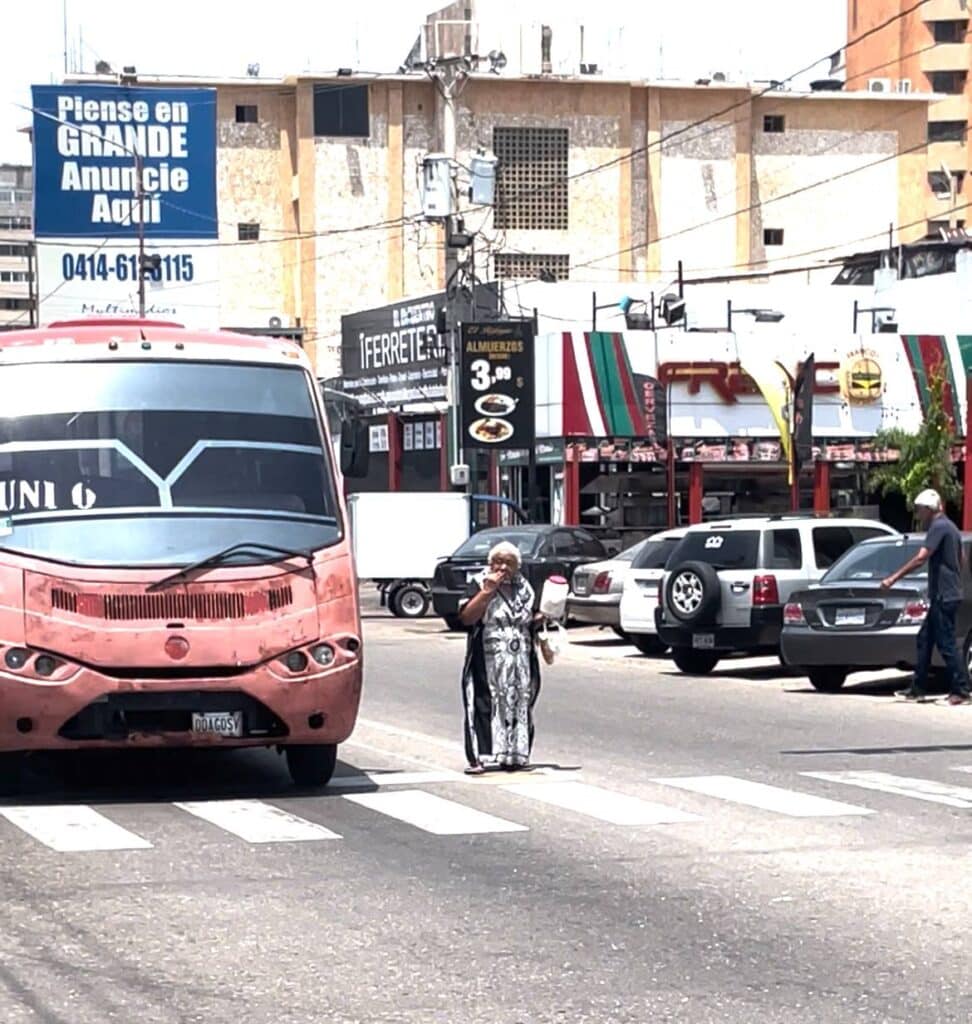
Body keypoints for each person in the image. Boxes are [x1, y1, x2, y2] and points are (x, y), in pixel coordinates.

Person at [458, 540, 542, 774]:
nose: (503, 567)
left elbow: (530, 619)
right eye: (498, 562)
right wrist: (488, 591)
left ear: (517, 566)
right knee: (485, 703)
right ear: (490, 563)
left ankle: (514, 755)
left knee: (519, 704)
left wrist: (543, 617)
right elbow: (466, 617)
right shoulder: (480, 582)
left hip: (520, 659)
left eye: (509, 563)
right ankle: (480, 757)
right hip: (489, 657)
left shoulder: (525, 587)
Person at [881, 488, 971, 705]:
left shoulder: (938, 527)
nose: (918, 515)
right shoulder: (951, 527)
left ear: (929, 509)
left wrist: (893, 578)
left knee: (946, 644)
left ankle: (961, 690)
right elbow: (962, 559)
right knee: (924, 639)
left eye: (920, 510)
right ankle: (917, 688)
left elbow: (921, 558)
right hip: (947, 593)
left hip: (944, 595)